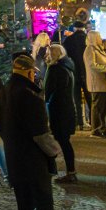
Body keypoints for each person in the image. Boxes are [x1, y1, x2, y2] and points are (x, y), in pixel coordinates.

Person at [0, 53, 58, 210]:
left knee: (24, 205)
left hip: (13, 158)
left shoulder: (3, 92)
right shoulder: (30, 96)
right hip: (34, 161)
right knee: (43, 203)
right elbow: (41, 134)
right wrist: (53, 151)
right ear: (30, 72)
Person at [39, 44, 77, 184]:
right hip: (66, 108)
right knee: (64, 141)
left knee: (62, 141)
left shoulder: (55, 69)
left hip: (58, 110)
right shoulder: (67, 67)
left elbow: (48, 90)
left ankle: (68, 172)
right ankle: (70, 171)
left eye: (48, 53)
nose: (46, 56)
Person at [83, 30, 106, 136]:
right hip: (97, 82)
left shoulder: (99, 49)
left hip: (104, 82)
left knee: (103, 107)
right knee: (98, 106)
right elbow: (92, 65)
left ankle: (102, 127)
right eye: (99, 36)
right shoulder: (90, 50)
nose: (101, 38)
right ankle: (96, 128)